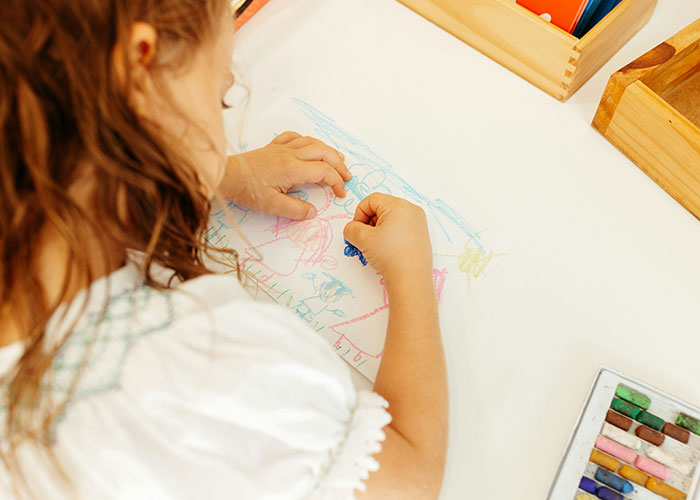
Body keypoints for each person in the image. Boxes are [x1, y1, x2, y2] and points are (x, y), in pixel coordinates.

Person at [0, 0, 447, 498]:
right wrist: (411, 274)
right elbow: (409, 479)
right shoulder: (199, 373)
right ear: (140, 71)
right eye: (219, 97)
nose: (221, 111)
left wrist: (220, 171)